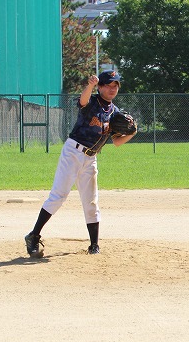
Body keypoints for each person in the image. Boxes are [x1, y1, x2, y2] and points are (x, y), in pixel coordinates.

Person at [24, 71, 136, 257]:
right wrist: (90, 85)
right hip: (73, 152)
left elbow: (117, 142)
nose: (112, 89)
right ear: (100, 87)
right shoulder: (92, 101)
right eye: (108, 85)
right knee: (58, 196)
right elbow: (82, 101)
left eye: (115, 85)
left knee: (91, 201)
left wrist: (132, 133)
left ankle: (94, 245)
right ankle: (33, 236)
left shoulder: (115, 113)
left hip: (91, 158)